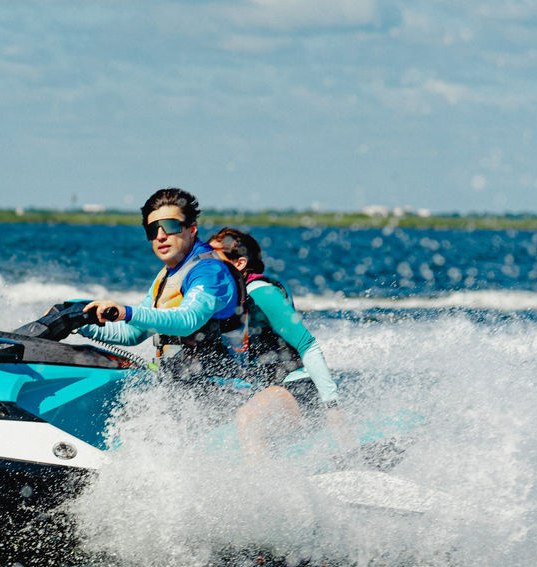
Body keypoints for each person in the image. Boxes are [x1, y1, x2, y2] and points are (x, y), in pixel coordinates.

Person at [75, 187, 248, 392]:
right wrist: (77, 322)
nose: (160, 235)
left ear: (191, 230)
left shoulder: (210, 271)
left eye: (170, 226)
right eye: (152, 229)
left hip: (221, 394)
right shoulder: (166, 275)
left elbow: (187, 321)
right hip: (179, 391)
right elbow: (132, 333)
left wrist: (125, 312)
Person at [207, 227, 356, 460]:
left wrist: (332, 406)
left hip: (300, 389)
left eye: (214, 257)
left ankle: (264, 491)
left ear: (239, 263)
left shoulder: (262, 292)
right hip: (271, 392)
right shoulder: (226, 300)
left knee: (248, 419)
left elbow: (308, 345)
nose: (207, 264)